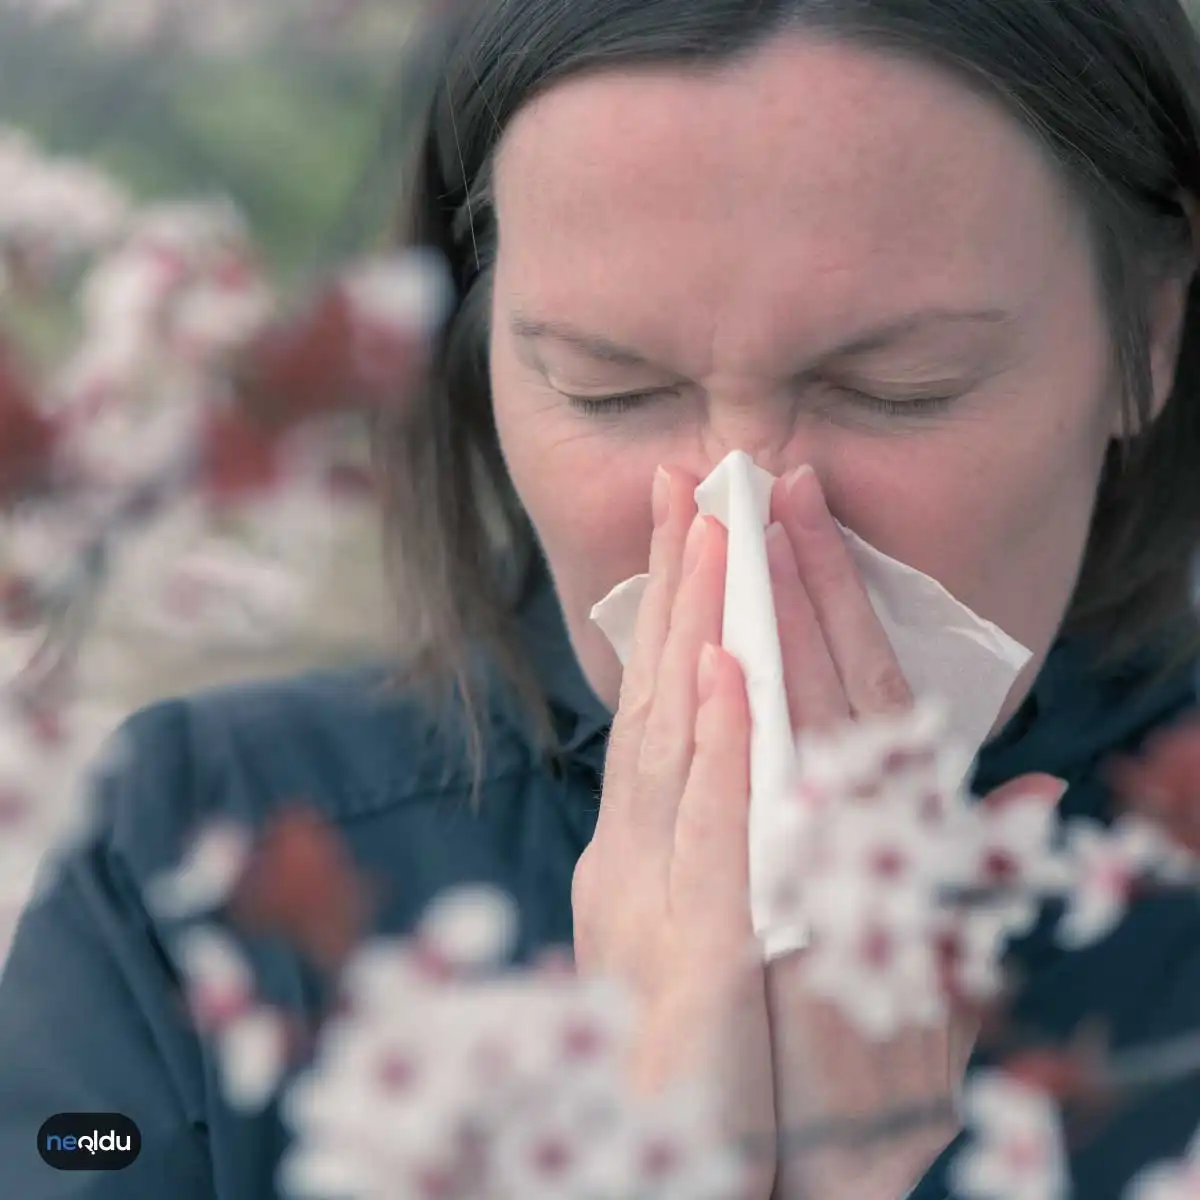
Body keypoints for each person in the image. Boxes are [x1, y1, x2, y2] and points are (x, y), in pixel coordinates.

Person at [4, 0, 1200, 1196]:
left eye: (900, 387)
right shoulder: (197, 858)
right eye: (608, 388)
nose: (740, 525)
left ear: (1147, 330)